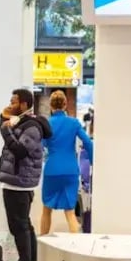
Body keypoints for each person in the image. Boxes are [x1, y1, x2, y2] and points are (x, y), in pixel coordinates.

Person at [0, 88, 51, 261]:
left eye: (14, 102)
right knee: (24, 225)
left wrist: (5, 130)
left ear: (24, 104)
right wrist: (4, 119)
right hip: (15, 180)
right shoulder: (21, 122)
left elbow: (20, 151)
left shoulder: (32, 127)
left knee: (19, 227)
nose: (10, 104)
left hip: (19, 182)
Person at [41, 91, 93, 235]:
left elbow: (41, 145)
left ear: (51, 105)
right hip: (70, 170)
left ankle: (42, 244)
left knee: (46, 210)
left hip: (52, 169)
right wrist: (92, 161)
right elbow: (88, 142)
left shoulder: (46, 124)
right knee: (70, 212)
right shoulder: (74, 123)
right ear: (65, 105)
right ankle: (75, 245)